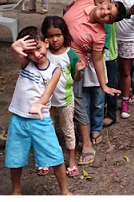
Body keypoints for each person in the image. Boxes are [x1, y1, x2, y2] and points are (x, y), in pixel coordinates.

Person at [64, 0, 126, 167]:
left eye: (109, 16)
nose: (106, 12)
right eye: (108, 7)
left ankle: (86, 142)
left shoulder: (99, 35)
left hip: (73, 67)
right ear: (105, 3)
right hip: (50, 56)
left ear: (109, 22)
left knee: (77, 102)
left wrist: (104, 85)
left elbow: (98, 60)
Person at [4, 27, 69, 195]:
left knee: (55, 156)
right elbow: (16, 52)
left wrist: (38, 104)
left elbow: (47, 94)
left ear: (46, 43)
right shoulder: (27, 63)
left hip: (41, 120)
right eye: (30, 53)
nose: (36, 56)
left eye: (38, 49)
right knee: (15, 157)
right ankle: (16, 190)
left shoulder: (55, 70)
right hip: (18, 119)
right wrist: (15, 46)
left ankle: (64, 192)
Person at [41, 16, 83, 179]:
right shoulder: (43, 53)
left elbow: (77, 78)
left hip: (65, 100)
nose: (54, 39)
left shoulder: (70, 54)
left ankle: (71, 160)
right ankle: (45, 158)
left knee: (68, 130)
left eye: (57, 35)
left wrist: (79, 70)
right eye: (50, 36)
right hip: (45, 102)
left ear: (64, 34)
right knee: (45, 130)